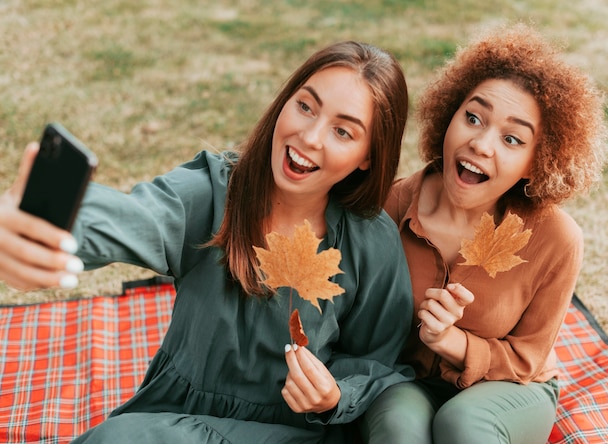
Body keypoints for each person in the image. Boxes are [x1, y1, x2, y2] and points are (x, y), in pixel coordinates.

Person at [0, 41, 416, 443]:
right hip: (174, 421)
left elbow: (378, 360)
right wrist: (46, 225)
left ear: (368, 156)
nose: (310, 136)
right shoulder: (212, 193)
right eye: (305, 106)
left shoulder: (369, 241)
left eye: (343, 131)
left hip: (293, 433)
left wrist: (335, 396)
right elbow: (136, 217)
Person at [360, 23, 608, 444]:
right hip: (405, 380)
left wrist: (451, 341)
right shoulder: (389, 208)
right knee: (400, 427)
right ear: (449, 115)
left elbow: (527, 359)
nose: (482, 144)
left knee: (462, 425)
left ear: (536, 161)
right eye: (473, 117)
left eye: (512, 139)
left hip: (512, 387)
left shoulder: (556, 240)